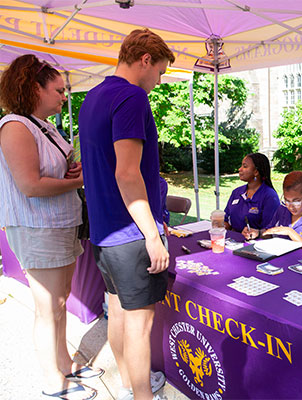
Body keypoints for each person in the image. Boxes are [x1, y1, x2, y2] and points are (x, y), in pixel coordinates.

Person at [78, 28, 174, 400]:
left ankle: (129, 383)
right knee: (139, 323)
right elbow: (127, 172)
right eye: (161, 72)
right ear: (145, 60)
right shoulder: (132, 96)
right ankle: (141, 395)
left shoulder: (92, 98)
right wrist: (153, 234)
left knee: (117, 312)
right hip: (131, 235)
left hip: (104, 233)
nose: (158, 81)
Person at [0, 55, 101, 400]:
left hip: (59, 223)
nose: (63, 97)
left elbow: (53, 171)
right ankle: (52, 382)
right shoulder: (16, 126)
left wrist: (70, 173)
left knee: (58, 303)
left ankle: (65, 365)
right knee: (47, 308)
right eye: (58, 90)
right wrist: (79, 181)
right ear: (34, 88)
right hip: (36, 227)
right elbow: (29, 184)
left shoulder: (44, 125)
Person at [224, 152, 279, 240]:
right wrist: (219, 224)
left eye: (245, 166)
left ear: (256, 172)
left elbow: (271, 231)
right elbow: (226, 220)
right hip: (232, 241)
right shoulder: (237, 192)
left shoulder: (270, 196)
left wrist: (257, 233)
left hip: (256, 246)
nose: (240, 169)